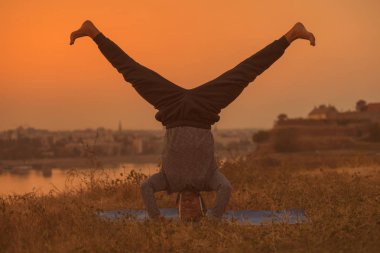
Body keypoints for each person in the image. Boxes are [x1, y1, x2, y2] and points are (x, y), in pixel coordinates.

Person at [70, 20, 315, 220]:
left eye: (183, 209)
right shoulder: (209, 180)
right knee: (245, 72)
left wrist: (156, 220)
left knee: (131, 71)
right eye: (193, 208)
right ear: (201, 204)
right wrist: (215, 218)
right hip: (204, 110)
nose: (187, 205)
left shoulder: (166, 182)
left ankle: (93, 33)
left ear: (176, 205)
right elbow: (226, 189)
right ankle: (291, 35)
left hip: (172, 109)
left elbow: (145, 188)